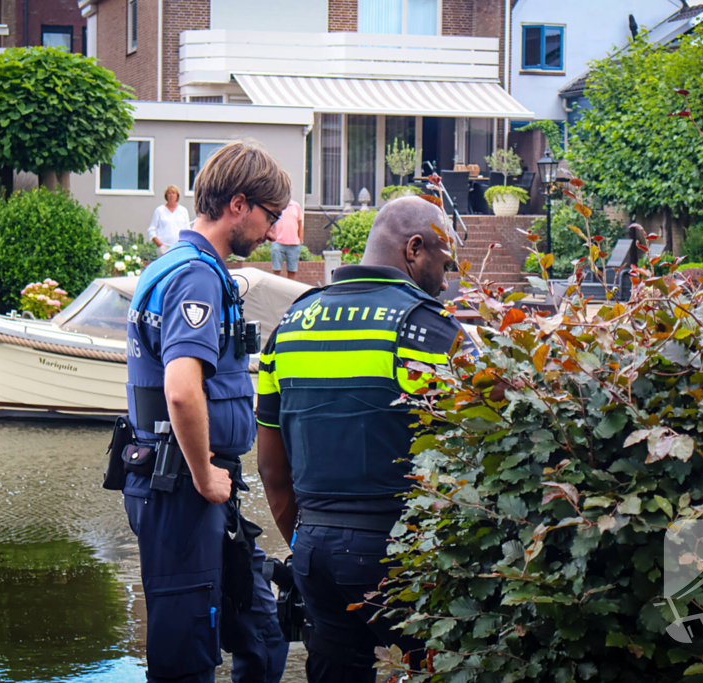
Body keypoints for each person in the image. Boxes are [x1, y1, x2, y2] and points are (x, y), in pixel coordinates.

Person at [256, 196, 468, 682]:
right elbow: (478, 444)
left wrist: (304, 540)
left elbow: (271, 467)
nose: (446, 276)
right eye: (444, 260)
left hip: (314, 553)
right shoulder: (424, 328)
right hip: (399, 553)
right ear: (414, 250)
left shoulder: (289, 324)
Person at [121, 141, 289, 683]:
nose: (272, 230)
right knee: (185, 655)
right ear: (238, 204)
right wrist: (203, 475)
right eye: (271, 215)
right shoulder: (194, 276)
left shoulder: (177, 266)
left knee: (263, 631)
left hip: (200, 482)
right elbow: (182, 391)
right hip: (184, 488)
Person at [149, 184, 191, 256]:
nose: (171, 195)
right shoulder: (159, 210)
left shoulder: (183, 211)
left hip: (178, 247)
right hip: (164, 248)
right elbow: (152, 229)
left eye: (173, 193)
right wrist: (160, 245)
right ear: (166, 195)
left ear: (177, 196)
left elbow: (187, 230)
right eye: (169, 193)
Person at [270, 199, 303, 279]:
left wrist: (300, 241)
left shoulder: (296, 206)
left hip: (294, 245)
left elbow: (300, 225)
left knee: (292, 271)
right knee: (276, 271)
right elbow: (270, 222)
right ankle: (275, 290)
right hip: (277, 243)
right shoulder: (276, 205)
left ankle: (290, 291)